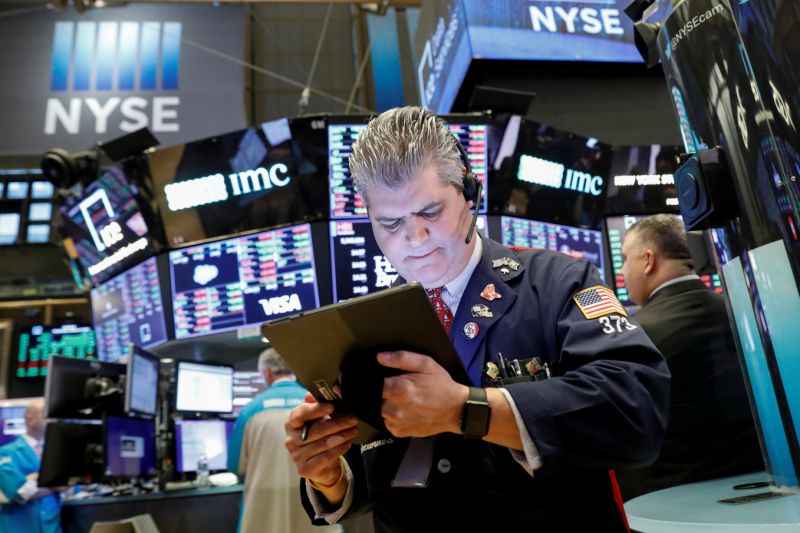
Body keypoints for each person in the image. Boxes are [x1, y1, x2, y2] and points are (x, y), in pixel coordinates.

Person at [284, 106, 671, 532]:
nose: (414, 239)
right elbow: (373, 479)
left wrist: (468, 411)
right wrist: (329, 474)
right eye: (390, 223)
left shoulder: (557, 281)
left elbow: (638, 408)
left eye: (430, 212)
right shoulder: (363, 328)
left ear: (470, 193)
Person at [615, 214, 763, 500]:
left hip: (669, 503)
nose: (622, 270)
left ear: (648, 260)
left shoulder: (634, 333)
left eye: (624, 259)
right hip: (761, 489)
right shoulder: (745, 314)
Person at [227, 348, 341, 533]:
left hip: (263, 509)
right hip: (318, 506)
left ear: (266, 372)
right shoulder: (317, 403)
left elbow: (235, 466)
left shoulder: (249, 411)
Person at [0, 399, 61, 533]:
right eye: (46, 415)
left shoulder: (55, 451)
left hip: (51, 527)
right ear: (31, 420)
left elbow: (69, 487)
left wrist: (34, 479)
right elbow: (19, 493)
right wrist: (53, 483)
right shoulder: (6, 452)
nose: (52, 420)